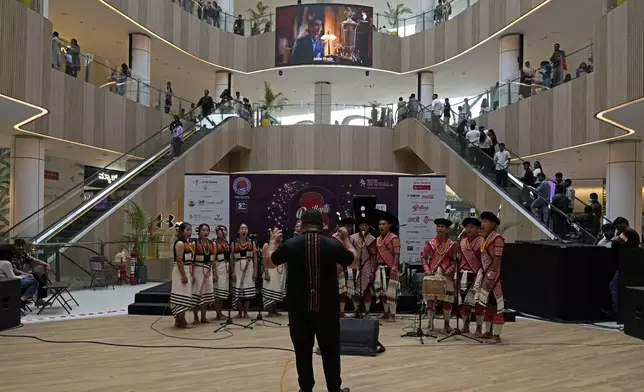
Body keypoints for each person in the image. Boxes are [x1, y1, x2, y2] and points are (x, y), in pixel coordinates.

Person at [263, 209, 357, 392]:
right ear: (322, 226)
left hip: (299, 310)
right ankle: (334, 389)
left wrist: (273, 242)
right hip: (327, 310)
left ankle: (306, 389)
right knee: (330, 351)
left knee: (302, 351)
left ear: (302, 225)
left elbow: (269, 263)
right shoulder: (332, 245)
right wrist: (346, 240)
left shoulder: (290, 245)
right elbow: (354, 262)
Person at [422, 218, 458, 332]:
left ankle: (446, 324)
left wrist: (450, 270)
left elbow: (454, 261)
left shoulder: (453, 245)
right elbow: (423, 258)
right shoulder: (429, 244)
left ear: (448, 230)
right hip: (432, 274)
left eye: (443, 227)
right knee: (430, 300)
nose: (440, 229)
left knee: (447, 301)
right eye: (438, 226)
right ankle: (430, 323)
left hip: (446, 276)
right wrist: (427, 269)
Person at [475, 211, 505, 343]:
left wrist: (491, 275)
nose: (483, 224)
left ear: (493, 224)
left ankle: (497, 335)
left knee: (496, 304)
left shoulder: (497, 238)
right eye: (483, 221)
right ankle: (488, 331)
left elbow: (497, 258)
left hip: (494, 276)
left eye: (486, 222)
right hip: (486, 274)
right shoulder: (485, 238)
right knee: (488, 304)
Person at [458, 217, 485, 335]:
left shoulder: (482, 241)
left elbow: (484, 260)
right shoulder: (462, 242)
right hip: (463, 274)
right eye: (467, 227)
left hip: (477, 274)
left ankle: (479, 328)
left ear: (477, 229)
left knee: (478, 303)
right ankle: (465, 325)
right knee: (464, 303)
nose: (468, 229)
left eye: (471, 227)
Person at [609, 217, 641, 315]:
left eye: (618, 226)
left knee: (613, 285)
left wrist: (617, 237)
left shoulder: (628, 233)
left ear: (623, 223)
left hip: (625, 263)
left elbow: (614, 244)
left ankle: (617, 310)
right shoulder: (632, 233)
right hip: (629, 263)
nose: (617, 229)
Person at [374, 214, 401, 321]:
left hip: (390, 268)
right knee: (383, 293)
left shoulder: (394, 238)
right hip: (380, 269)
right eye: (380, 224)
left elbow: (397, 254)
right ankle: (386, 312)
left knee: (392, 292)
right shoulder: (377, 239)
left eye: (384, 224)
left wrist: (394, 266)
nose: (381, 226)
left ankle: (393, 314)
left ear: (389, 225)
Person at [349, 217, 377, 317]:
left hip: (367, 266)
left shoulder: (372, 239)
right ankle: (356, 311)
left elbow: (374, 256)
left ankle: (367, 312)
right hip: (355, 266)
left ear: (369, 227)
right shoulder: (352, 237)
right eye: (362, 225)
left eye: (366, 225)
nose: (364, 227)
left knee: (367, 290)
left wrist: (373, 270)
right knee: (355, 290)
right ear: (358, 227)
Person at [12, 239, 51, 306]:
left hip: (24, 275)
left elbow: (34, 260)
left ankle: (39, 299)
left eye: (22, 246)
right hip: (16, 276)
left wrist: (46, 264)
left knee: (41, 274)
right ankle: (25, 299)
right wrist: (26, 274)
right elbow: (14, 270)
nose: (21, 248)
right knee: (34, 280)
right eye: (19, 246)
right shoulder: (11, 255)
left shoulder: (23, 253)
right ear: (15, 246)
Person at [171, 222, 195, 328]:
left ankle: (178, 321)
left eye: (190, 230)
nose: (189, 232)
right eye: (187, 230)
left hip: (187, 269)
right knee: (181, 295)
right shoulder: (180, 243)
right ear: (181, 231)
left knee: (184, 294)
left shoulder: (188, 243)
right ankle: (182, 321)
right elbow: (179, 261)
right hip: (180, 271)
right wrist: (184, 276)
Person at [0, 244, 39, 309]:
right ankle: (22, 299)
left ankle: (22, 299)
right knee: (33, 281)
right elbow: (12, 277)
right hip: (9, 284)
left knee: (30, 281)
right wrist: (23, 276)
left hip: (3, 284)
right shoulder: (6, 263)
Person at [232, 223, 257, 318]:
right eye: (242, 229)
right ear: (238, 231)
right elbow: (231, 259)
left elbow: (255, 258)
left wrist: (255, 271)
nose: (244, 231)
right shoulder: (234, 244)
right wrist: (232, 272)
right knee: (239, 290)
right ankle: (239, 312)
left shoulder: (252, 243)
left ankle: (246, 312)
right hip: (238, 268)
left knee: (247, 290)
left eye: (245, 229)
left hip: (249, 268)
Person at [192, 224, 215, 324]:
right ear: (199, 232)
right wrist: (191, 274)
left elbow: (213, 259)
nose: (205, 232)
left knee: (206, 294)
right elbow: (191, 260)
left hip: (208, 270)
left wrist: (214, 272)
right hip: (198, 269)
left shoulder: (211, 243)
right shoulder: (195, 243)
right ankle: (195, 316)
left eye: (207, 230)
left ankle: (203, 316)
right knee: (197, 293)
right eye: (203, 230)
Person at [333, 217, 355, 318]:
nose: (349, 228)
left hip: (347, 267)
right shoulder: (334, 238)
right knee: (335, 292)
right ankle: (333, 312)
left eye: (351, 226)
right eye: (347, 226)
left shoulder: (349, 238)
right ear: (342, 227)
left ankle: (341, 313)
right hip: (336, 268)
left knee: (343, 292)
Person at [262, 227, 286, 316]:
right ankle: (270, 311)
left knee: (277, 289)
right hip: (271, 270)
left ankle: (274, 310)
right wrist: (266, 272)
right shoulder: (266, 245)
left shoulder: (282, 246)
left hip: (279, 270)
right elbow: (264, 261)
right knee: (271, 288)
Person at [213, 226, 230, 320]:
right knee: (218, 293)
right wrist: (214, 272)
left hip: (225, 268)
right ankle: (218, 313)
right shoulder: (216, 243)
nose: (221, 233)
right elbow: (213, 259)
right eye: (219, 231)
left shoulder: (226, 242)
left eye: (223, 231)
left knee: (222, 292)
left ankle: (220, 312)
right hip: (219, 267)